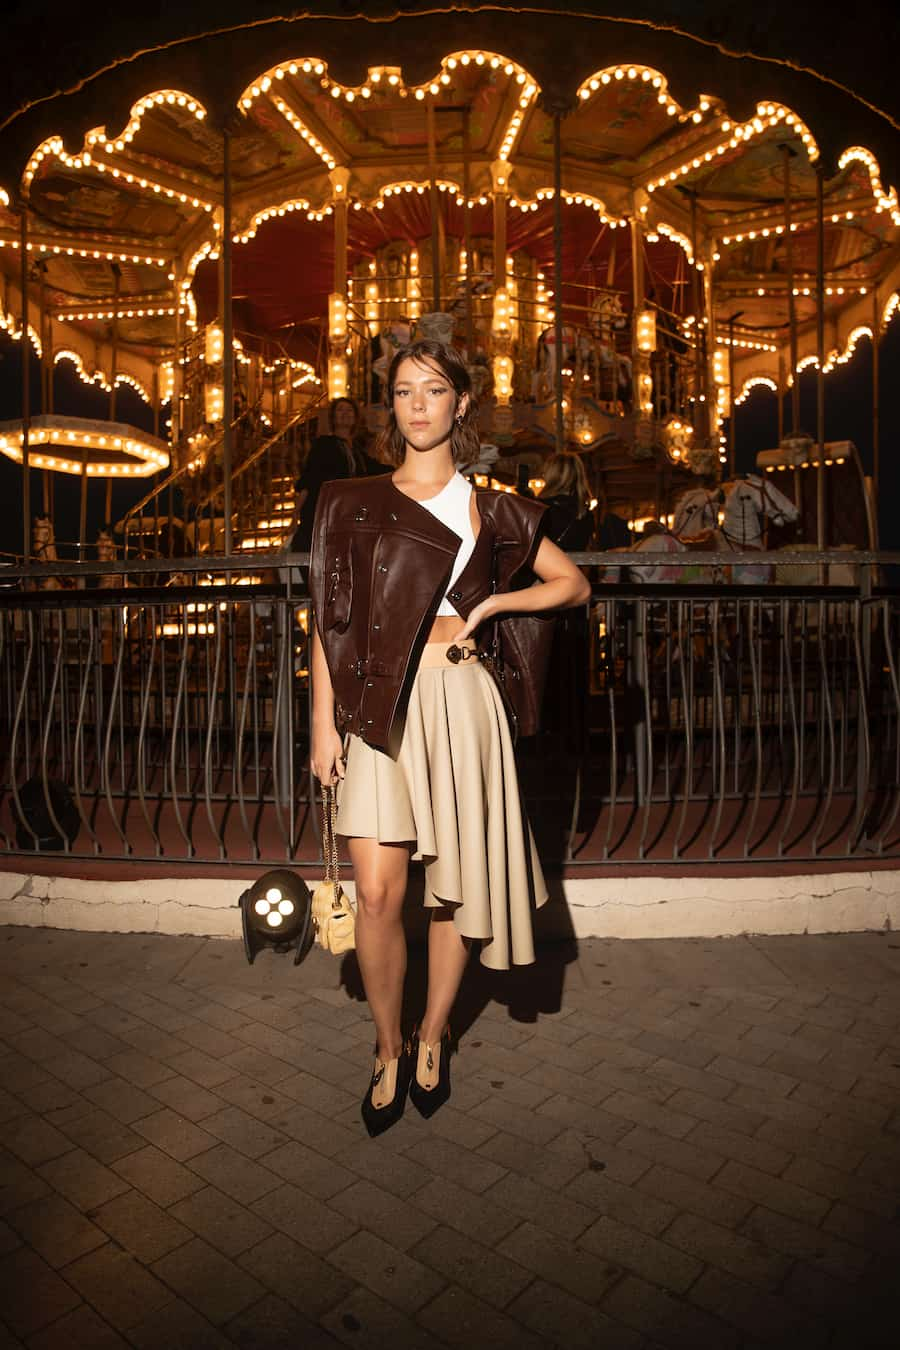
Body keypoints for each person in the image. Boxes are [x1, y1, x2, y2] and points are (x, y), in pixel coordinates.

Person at [309, 338, 590, 1136]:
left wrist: (495, 608)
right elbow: (329, 622)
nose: (420, 405)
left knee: (453, 886)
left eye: (435, 391)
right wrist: (322, 723)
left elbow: (572, 582)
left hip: (461, 700)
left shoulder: (490, 506)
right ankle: (386, 1046)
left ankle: (433, 1037)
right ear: (389, 406)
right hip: (377, 704)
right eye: (404, 391)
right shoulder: (349, 499)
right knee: (376, 893)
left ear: (461, 404)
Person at [291, 397, 387, 553]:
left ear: (356, 418)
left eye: (349, 410)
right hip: (327, 511)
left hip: (349, 514)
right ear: (333, 417)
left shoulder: (357, 452)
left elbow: (377, 470)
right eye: (340, 410)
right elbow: (309, 479)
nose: (345, 413)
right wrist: (296, 512)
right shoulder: (324, 444)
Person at [537, 451, 594, 551]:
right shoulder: (585, 514)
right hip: (571, 566)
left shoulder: (540, 508)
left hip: (543, 565)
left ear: (552, 476)